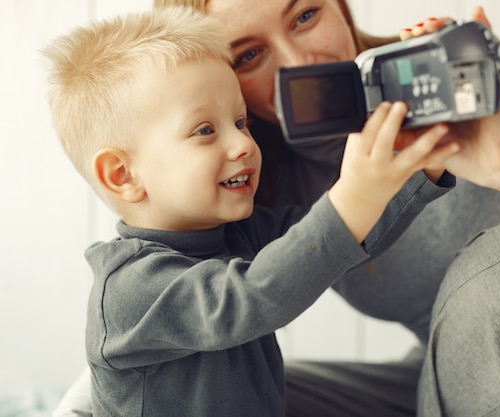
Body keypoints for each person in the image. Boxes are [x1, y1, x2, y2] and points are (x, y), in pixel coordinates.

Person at [54, 1, 500, 416]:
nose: (297, 62)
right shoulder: (247, 188)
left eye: (305, 15)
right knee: (244, 389)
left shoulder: (449, 83)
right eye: (249, 54)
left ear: (340, 7)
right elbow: (189, 329)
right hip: (452, 371)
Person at [42, 6, 461, 416]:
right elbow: (253, 297)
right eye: (205, 130)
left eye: (241, 123)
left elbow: (347, 237)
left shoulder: (240, 234)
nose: (243, 144)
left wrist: (421, 169)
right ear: (123, 175)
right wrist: (352, 195)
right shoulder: (131, 288)